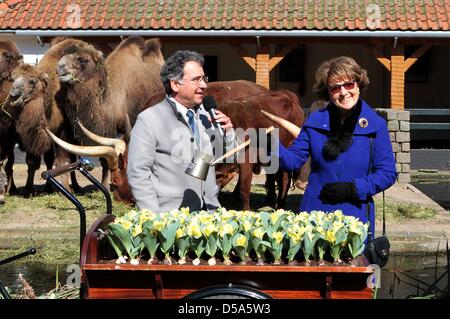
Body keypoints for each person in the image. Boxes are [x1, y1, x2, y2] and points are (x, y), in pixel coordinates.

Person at [276, 56, 397, 236]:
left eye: (348, 85)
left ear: (358, 85)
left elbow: (387, 174)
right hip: (314, 218)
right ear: (328, 92)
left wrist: (354, 188)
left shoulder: (375, 125)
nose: (343, 92)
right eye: (335, 88)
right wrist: (269, 144)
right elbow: (292, 161)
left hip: (355, 219)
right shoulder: (315, 120)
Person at [127, 50, 236, 214]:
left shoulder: (207, 116)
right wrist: (153, 219)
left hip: (209, 215)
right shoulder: (148, 120)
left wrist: (228, 133)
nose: (204, 85)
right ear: (175, 84)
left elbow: (230, 157)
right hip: (170, 219)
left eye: (204, 79)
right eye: (196, 80)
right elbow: (138, 174)